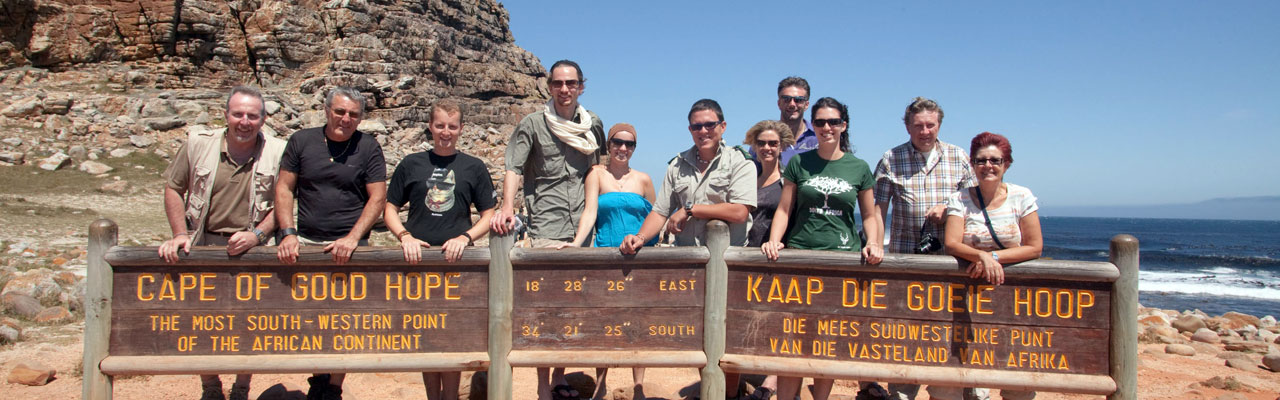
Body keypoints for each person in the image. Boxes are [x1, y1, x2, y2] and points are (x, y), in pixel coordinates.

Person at [157, 85, 285, 400]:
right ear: (226, 115)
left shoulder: (279, 151)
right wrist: (179, 234)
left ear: (263, 119)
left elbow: (286, 202)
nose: (245, 121)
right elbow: (173, 188)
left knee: (252, 322)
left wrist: (258, 235)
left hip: (253, 248)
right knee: (201, 320)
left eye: (252, 116)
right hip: (204, 244)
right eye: (238, 114)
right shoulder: (198, 145)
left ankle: (241, 388)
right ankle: (211, 386)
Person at [489, 59, 606, 400]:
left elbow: (595, 170)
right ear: (549, 86)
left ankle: (560, 377)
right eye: (558, 83)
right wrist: (508, 206)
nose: (565, 89)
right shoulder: (532, 124)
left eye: (571, 83)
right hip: (546, 224)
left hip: (583, 227)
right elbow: (514, 167)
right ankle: (543, 386)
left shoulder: (593, 124)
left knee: (575, 306)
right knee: (546, 307)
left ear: (581, 86)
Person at [760, 97, 883, 400]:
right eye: (820, 122)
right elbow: (785, 209)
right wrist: (775, 240)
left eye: (833, 122)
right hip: (800, 256)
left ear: (844, 125)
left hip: (841, 261)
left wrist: (874, 243)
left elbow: (869, 215)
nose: (827, 127)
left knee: (827, 338)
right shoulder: (800, 162)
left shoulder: (859, 167)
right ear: (812, 125)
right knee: (792, 337)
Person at [275, 86, 387, 400]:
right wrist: (288, 232)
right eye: (340, 111)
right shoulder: (301, 141)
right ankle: (318, 379)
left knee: (346, 320)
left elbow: (377, 197)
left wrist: (353, 238)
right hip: (308, 242)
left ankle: (333, 388)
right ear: (327, 110)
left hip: (350, 248)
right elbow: (285, 188)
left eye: (353, 114)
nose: (345, 119)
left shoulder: (368, 147)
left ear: (360, 118)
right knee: (311, 319)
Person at [383, 99, 496, 400]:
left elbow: (488, 214)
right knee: (427, 336)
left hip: (456, 264)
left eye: (452, 126)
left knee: (452, 334)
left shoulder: (474, 167)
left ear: (461, 129)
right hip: (419, 262)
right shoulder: (411, 164)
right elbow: (390, 208)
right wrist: (404, 235)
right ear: (431, 127)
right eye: (440, 125)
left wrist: (466, 238)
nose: (446, 132)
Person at [873, 97, 974, 400]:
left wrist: (950, 207)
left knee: (952, 329)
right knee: (906, 330)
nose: (925, 131)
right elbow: (877, 208)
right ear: (907, 126)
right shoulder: (892, 158)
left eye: (931, 125)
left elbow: (975, 203)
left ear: (939, 124)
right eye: (919, 126)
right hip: (907, 260)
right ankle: (902, 391)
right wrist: (875, 243)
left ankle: (958, 390)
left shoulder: (959, 157)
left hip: (953, 263)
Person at [554, 123, 654, 399]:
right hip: (606, 256)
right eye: (618, 143)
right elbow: (590, 211)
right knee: (604, 323)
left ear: (634, 148)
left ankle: (639, 388)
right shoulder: (596, 174)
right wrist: (576, 244)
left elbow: (655, 217)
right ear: (607, 145)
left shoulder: (644, 179)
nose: (623, 148)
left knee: (638, 324)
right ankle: (600, 388)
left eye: (629, 144)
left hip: (639, 259)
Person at [943, 132, 1042, 400]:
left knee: (1015, 378)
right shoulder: (960, 199)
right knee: (960, 371)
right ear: (973, 165)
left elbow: (1034, 246)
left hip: (1010, 298)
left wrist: (994, 258)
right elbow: (951, 243)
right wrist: (981, 257)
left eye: (995, 160)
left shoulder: (1022, 197)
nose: (988, 166)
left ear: (1006, 163)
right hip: (967, 297)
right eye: (981, 160)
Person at [619, 98, 756, 254]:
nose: (703, 131)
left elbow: (739, 212)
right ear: (690, 130)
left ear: (723, 126)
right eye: (697, 127)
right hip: (688, 259)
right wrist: (640, 237)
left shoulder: (740, 162)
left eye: (710, 125)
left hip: (730, 260)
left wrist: (689, 210)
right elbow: (660, 212)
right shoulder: (677, 165)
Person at [738, 119, 795, 400]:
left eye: (773, 143)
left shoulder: (787, 182)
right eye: (761, 143)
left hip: (772, 258)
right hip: (743, 256)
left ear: (782, 146)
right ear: (754, 145)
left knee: (776, 320)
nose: (767, 148)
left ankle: (771, 383)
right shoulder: (746, 177)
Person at [776, 76, 817, 167]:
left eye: (798, 100)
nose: (792, 104)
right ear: (779, 103)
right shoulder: (765, 140)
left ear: (806, 105)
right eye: (786, 99)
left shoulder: (818, 137)